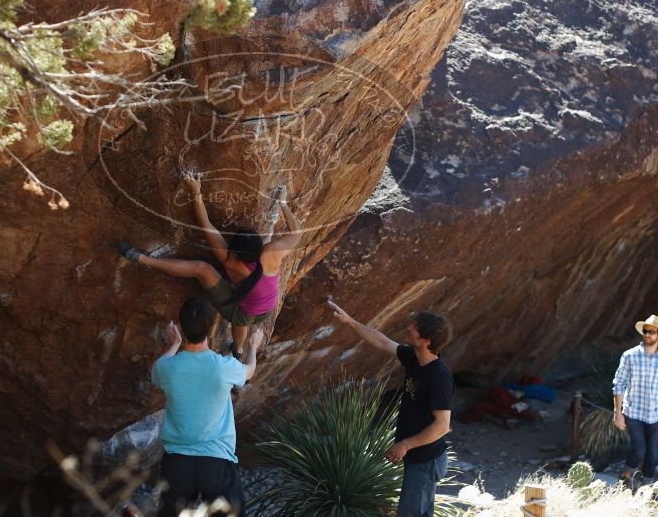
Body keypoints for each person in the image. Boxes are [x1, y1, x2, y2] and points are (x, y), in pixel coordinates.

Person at [117, 172, 301, 358]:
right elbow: (296, 234)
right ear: (260, 246)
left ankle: (143, 259)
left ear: (235, 251)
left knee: (202, 269)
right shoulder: (272, 253)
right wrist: (283, 203)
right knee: (244, 317)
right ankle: (237, 350)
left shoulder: (229, 260)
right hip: (267, 309)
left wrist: (196, 191)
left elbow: (206, 224)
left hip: (243, 311)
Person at [329, 300, 454, 517]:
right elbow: (382, 342)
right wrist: (350, 321)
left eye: (414, 327)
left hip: (426, 460)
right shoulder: (415, 359)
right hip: (419, 458)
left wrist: (405, 444)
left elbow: (442, 426)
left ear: (426, 340)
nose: (409, 328)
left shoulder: (439, 377)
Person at [151, 296, 263, 517]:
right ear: (211, 326)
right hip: (216, 462)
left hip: (177, 463)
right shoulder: (223, 367)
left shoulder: (167, 367)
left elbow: (155, 370)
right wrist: (253, 347)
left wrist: (172, 345)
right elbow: (250, 370)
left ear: (181, 327)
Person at [613, 314, 658, 489]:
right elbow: (618, 384)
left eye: (652, 332)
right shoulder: (629, 356)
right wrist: (618, 414)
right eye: (645, 331)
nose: (647, 334)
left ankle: (646, 486)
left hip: (656, 414)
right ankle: (625, 478)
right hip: (634, 413)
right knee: (639, 451)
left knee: (653, 455)